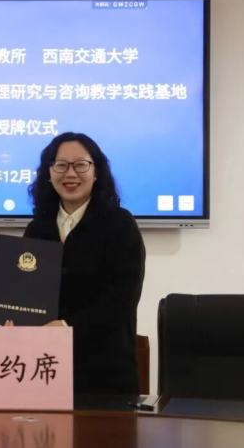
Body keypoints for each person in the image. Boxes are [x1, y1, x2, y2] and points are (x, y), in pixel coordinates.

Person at [24, 132, 146, 394]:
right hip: (45, 369)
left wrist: (67, 327)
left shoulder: (120, 224)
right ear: (49, 172)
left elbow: (123, 297)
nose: (70, 174)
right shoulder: (37, 228)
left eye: (80, 165)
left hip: (105, 374)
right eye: (61, 165)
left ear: (96, 171)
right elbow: (27, 292)